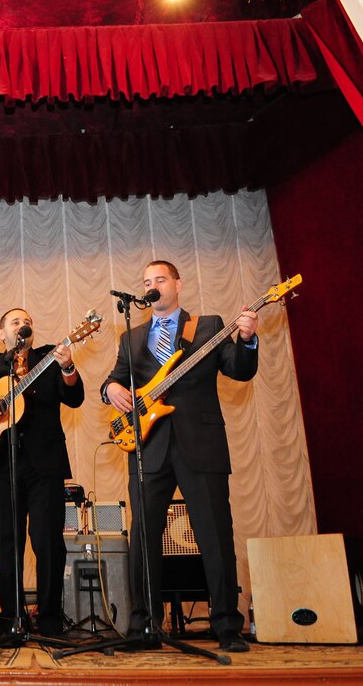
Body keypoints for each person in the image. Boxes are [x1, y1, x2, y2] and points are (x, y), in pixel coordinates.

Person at [100, 260, 258, 653]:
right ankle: (144, 627)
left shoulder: (208, 326)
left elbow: (238, 370)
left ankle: (227, 625)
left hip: (200, 444)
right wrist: (110, 390)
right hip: (148, 446)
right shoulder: (131, 338)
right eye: (146, 282)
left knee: (214, 535)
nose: (152, 286)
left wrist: (247, 339)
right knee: (143, 538)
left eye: (160, 279)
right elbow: (115, 378)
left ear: (178, 284)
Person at [0, 308, 84, 637]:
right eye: (15, 322)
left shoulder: (48, 357)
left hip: (45, 464)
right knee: (8, 544)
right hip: (2, 464)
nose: (23, 325)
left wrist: (68, 367)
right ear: (1, 333)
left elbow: (74, 398)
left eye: (28, 322)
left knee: (48, 542)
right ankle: (12, 620)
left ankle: (49, 620)